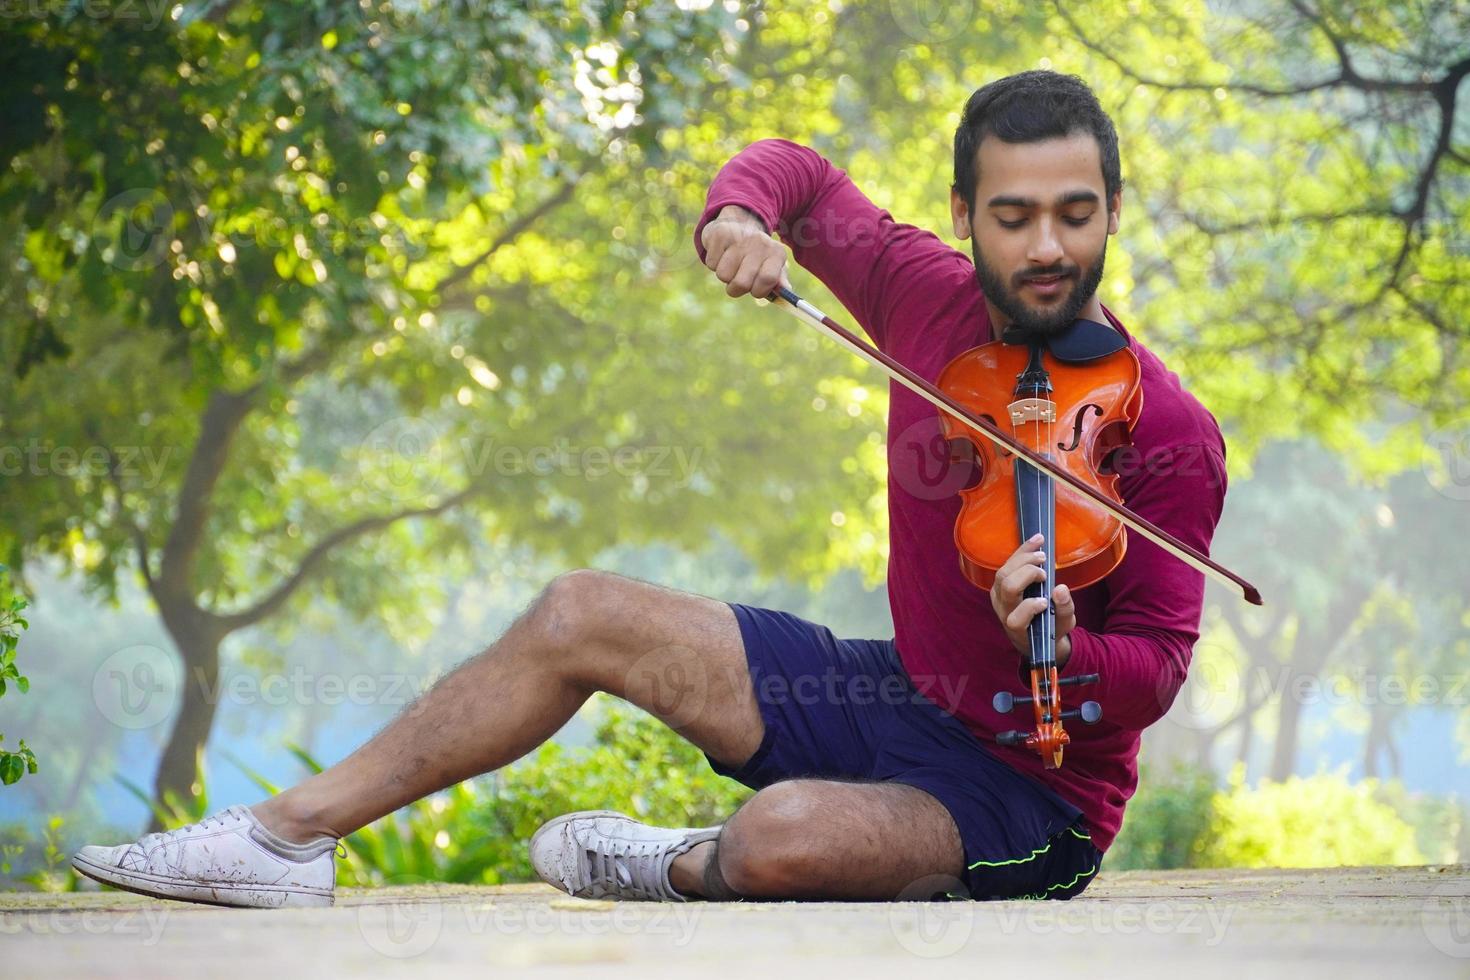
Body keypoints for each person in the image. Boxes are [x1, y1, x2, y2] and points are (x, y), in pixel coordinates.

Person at [72, 70, 1227, 908]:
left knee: (780, 837)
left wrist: (1068, 647)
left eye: (1075, 213)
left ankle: (674, 861)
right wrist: (738, 215)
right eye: (1013, 214)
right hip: (896, 693)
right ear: (966, 215)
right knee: (582, 610)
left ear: (1112, 212)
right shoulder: (917, 291)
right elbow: (800, 175)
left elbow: (1157, 671)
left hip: (1033, 793)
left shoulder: (1163, 427)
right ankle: (280, 842)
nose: (1045, 248)